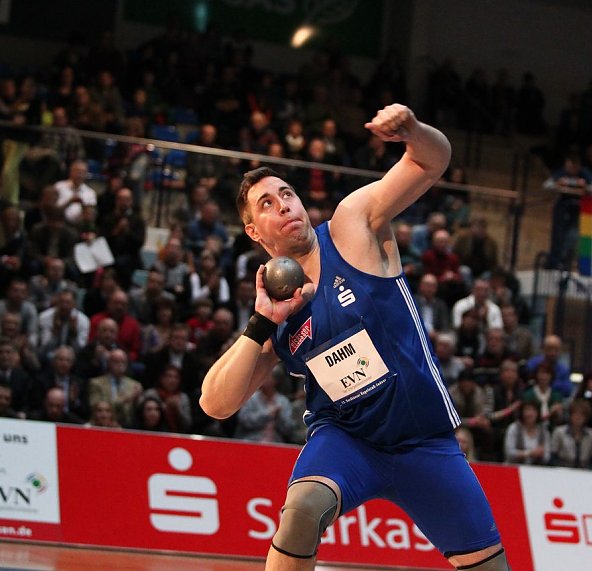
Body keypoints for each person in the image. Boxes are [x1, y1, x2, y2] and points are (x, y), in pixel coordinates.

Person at [200, 104, 507, 570]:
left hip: (425, 441)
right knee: (301, 511)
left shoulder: (351, 226)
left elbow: (433, 161)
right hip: (347, 441)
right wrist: (261, 323)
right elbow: (214, 404)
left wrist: (413, 130)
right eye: (266, 204)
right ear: (253, 231)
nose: (283, 205)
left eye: (287, 194)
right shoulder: (276, 308)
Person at [551, 400, 592, 469]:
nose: (578, 417)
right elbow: (553, 456)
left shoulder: (591, 434)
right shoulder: (559, 432)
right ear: (570, 415)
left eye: (581, 414)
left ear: (586, 417)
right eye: (575, 414)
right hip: (563, 468)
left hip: (584, 470)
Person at [504, 400, 551, 466]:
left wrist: (541, 454)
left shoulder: (544, 431)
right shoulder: (514, 428)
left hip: (535, 468)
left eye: (534, 410)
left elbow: (547, 456)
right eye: (527, 410)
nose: (530, 413)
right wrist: (529, 453)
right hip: (514, 467)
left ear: (538, 413)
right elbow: (509, 453)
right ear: (522, 412)